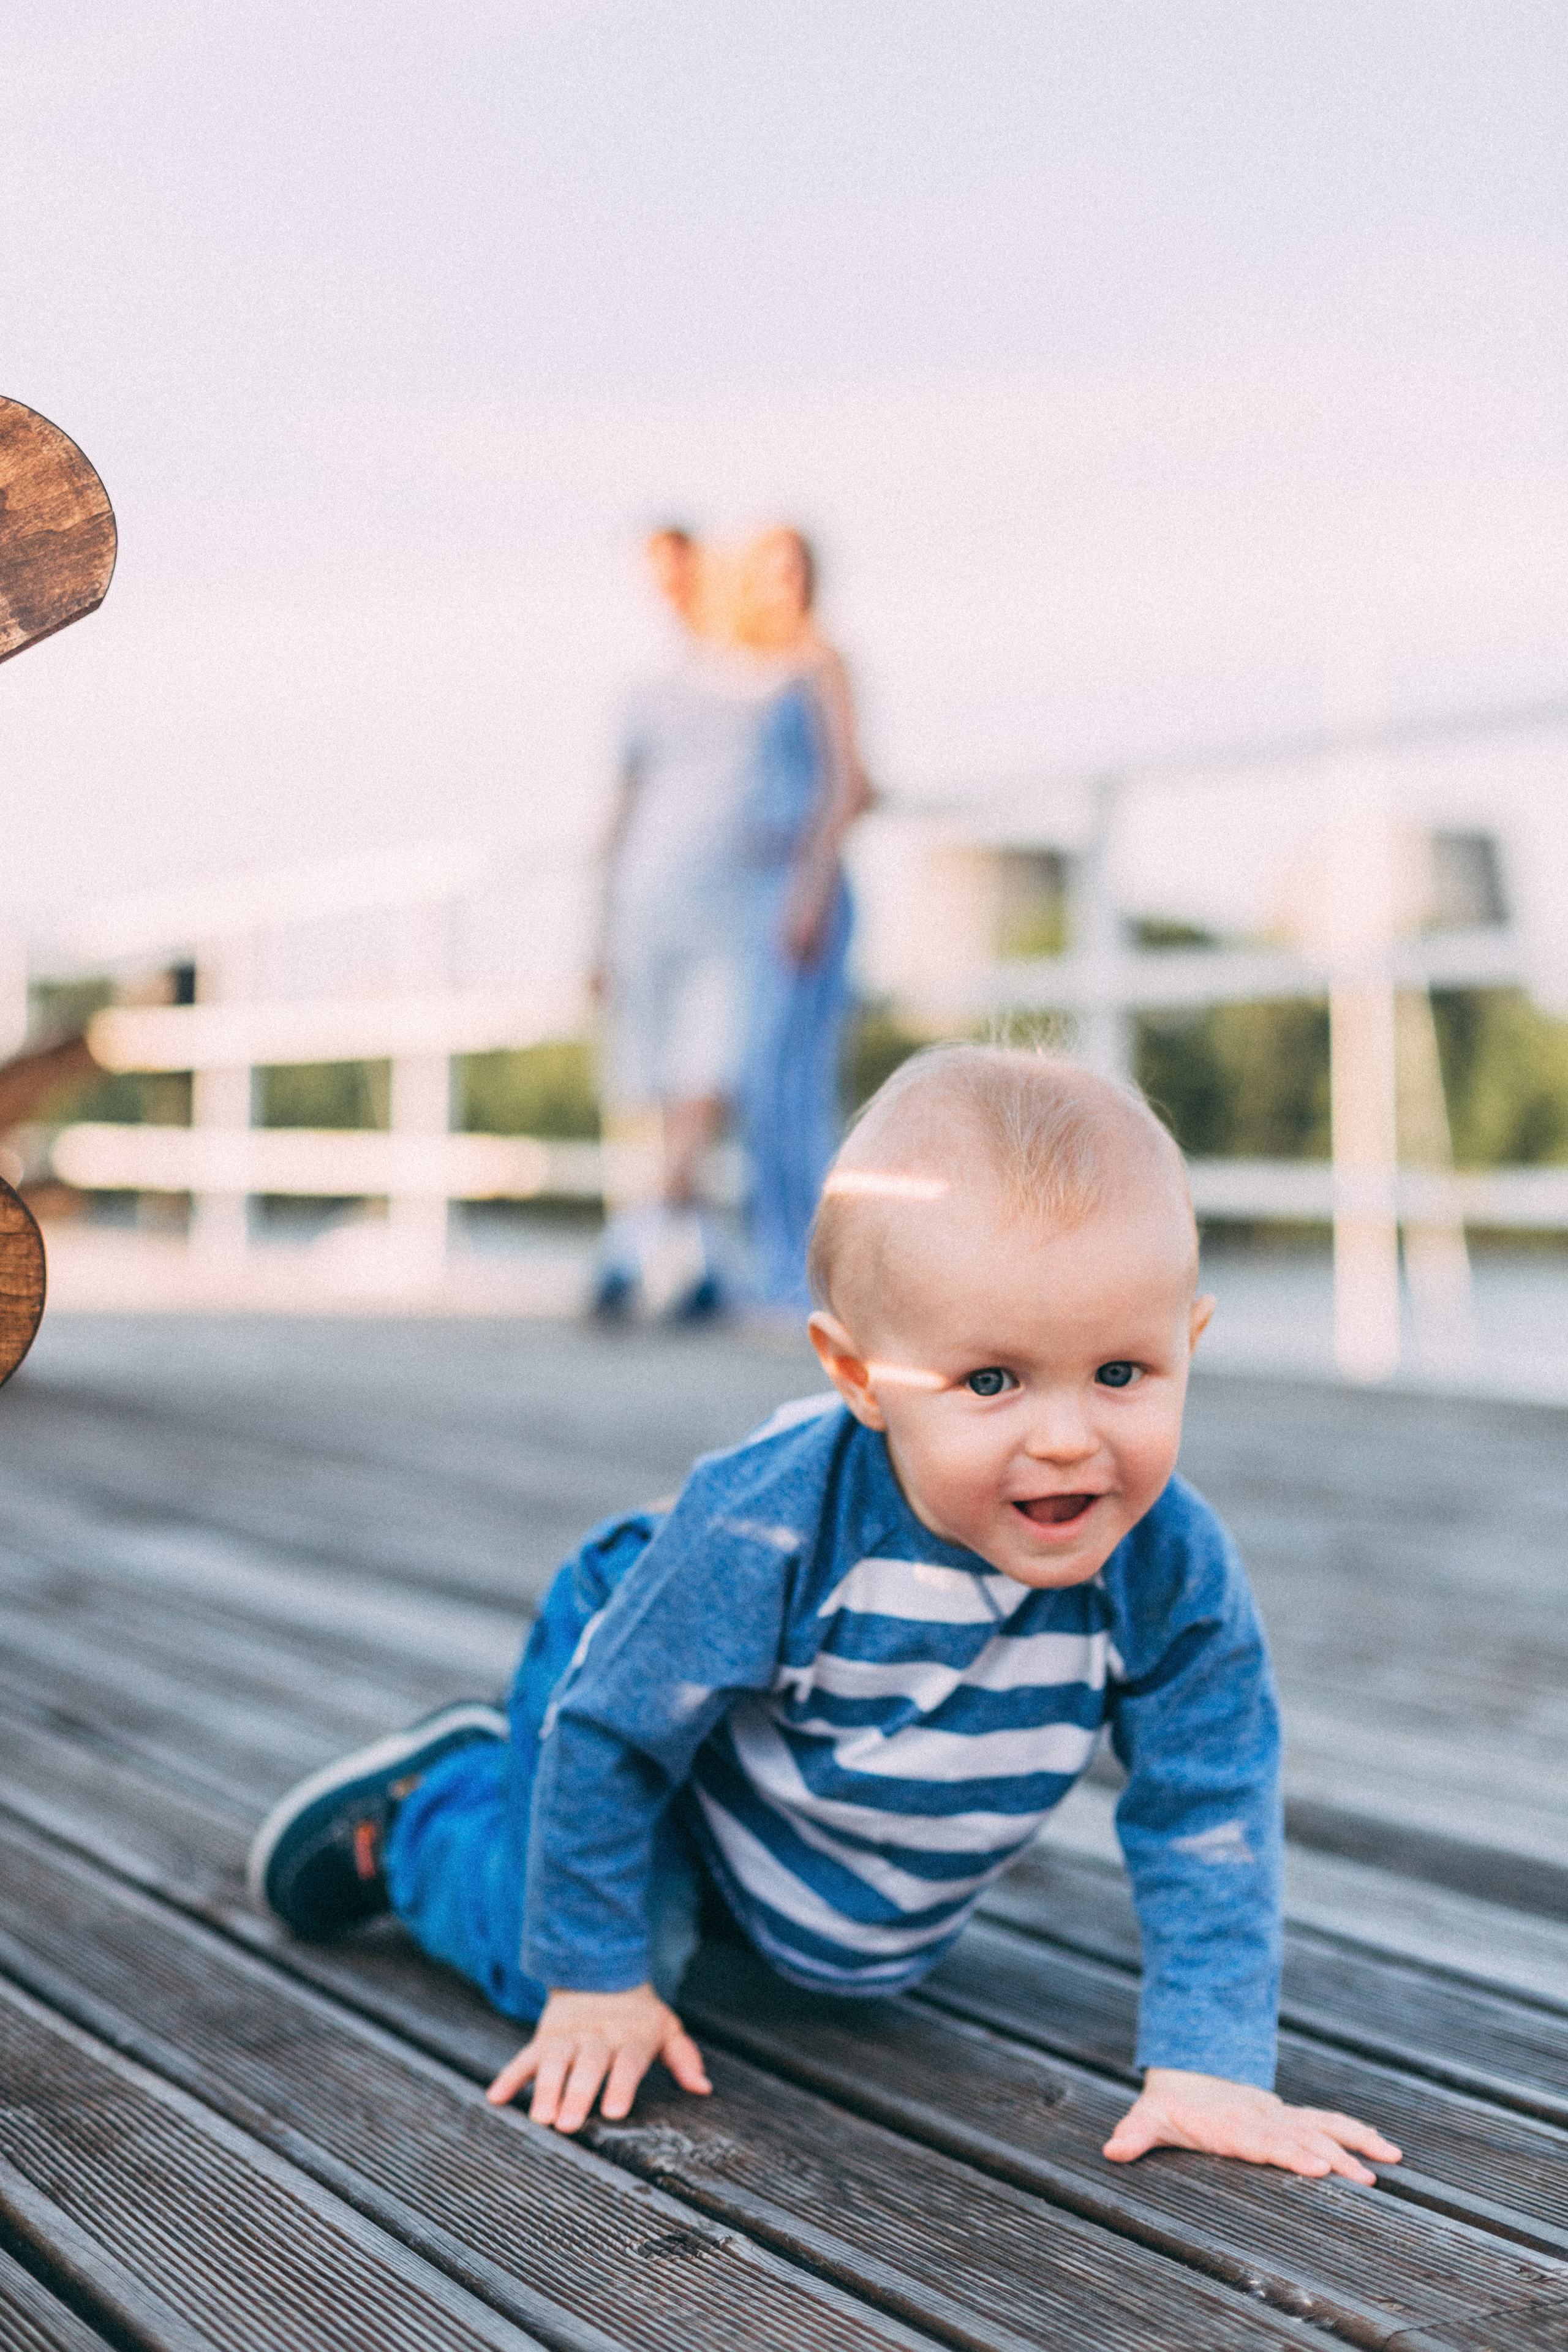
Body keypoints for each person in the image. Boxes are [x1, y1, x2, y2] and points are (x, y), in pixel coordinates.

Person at [249, 1044, 1400, 2182]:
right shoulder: (771, 1527)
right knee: (596, 1956)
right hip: (630, 1685)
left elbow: (1209, 1797)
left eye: (1121, 1374)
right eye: (992, 1381)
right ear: (858, 1379)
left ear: (1188, 1344)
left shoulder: (1168, 1567)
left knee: (848, 1963)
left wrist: (1212, 2064)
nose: (1066, 1436)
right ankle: (429, 1816)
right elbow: (614, 1726)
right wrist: (596, 1982)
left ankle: (688, 1883)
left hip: (815, 1796)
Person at [590, 526, 783, 1319]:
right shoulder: (645, 685)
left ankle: (636, 1245)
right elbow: (621, 806)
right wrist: (595, 926)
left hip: (731, 902)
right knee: (659, 1078)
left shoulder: (767, 678)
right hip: (647, 895)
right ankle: (689, 1253)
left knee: (706, 1075)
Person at [728, 527, 872, 1313]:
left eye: (794, 569)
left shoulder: (824, 662)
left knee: (796, 1083)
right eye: (769, 571)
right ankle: (777, 1261)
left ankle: (815, 1277)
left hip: (803, 889)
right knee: (759, 1083)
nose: (782, 584)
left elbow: (847, 781)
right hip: (753, 895)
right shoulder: (750, 672)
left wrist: (810, 891)